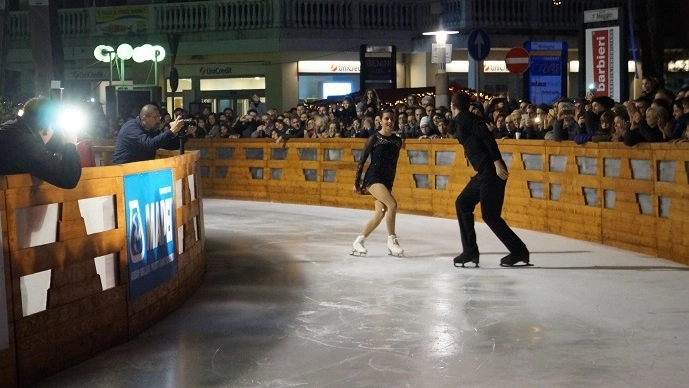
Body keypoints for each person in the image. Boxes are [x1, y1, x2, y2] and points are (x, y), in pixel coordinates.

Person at [450, 92, 530, 268]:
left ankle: (518, 251)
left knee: (490, 215)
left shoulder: (466, 118)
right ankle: (470, 251)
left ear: (453, 106)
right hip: (484, 172)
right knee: (463, 203)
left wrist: (497, 161)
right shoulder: (463, 119)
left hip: (491, 170)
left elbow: (487, 137)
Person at [351, 107, 404, 257]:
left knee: (380, 213)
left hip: (386, 180)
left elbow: (393, 165)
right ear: (380, 120)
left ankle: (359, 241)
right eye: (386, 118)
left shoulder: (397, 141)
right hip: (373, 178)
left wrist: (389, 185)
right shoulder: (374, 138)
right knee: (392, 205)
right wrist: (357, 183)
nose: (389, 121)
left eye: (392, 119)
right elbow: (362, 161)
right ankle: (392, 241)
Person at [0, 96, 81, 189]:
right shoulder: (23, 143)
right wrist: (70, 145)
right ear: (47, 127)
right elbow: (69, 179)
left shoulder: (12, 130)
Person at [110, 104, 186, 164]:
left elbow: (170, 145)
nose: (158, 120)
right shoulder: (131, 128)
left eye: (159, 116)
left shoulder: (151, 128)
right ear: (144, 118)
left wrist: (186, 133)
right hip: (122, 171)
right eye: (155, 117)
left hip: (140, 171)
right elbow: (150, 144)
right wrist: (171, 131)